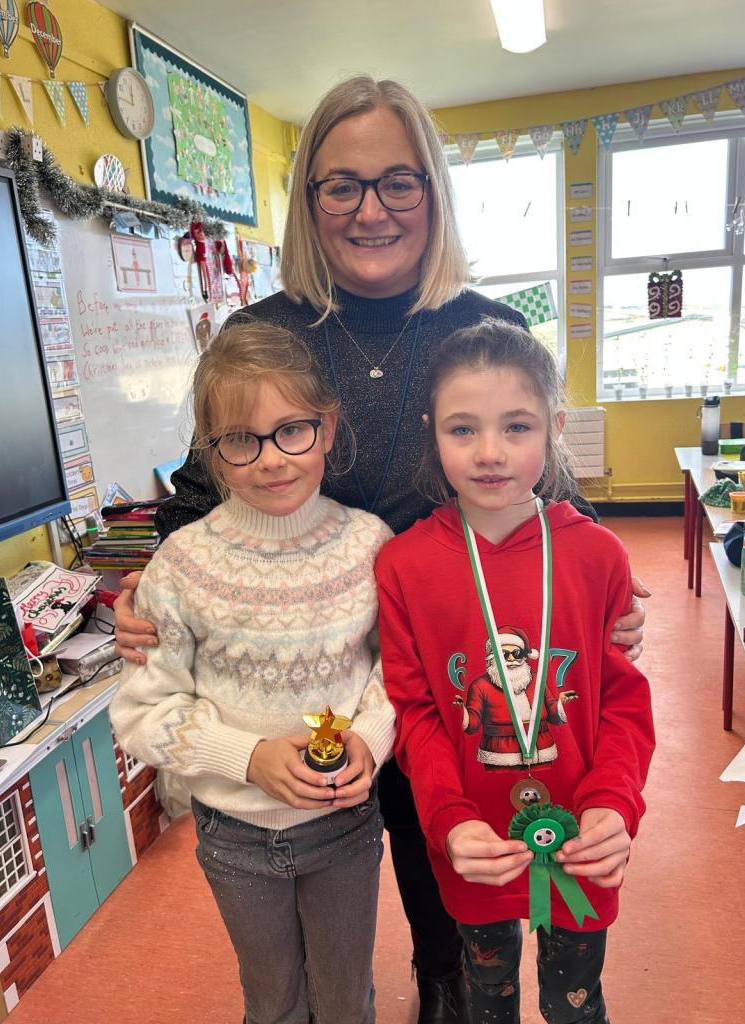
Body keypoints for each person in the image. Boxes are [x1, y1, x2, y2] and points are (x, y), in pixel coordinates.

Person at [113, 75, 649, 1024]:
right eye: (342, 185)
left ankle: (445, 979)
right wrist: (141, 594)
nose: (372, 210)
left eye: (399, 182)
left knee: (455, 829)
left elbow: (547, 482)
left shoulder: (481, 327)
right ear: (308, 199)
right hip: (310, 657)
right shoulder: (262, 333)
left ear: (433, 193)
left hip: (452, 643)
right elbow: (199, 489)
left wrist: (604, 588)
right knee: (347, 855)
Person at [109, 323, 396, 1024]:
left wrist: (372, 736)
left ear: (327, 429)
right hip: (234, 834)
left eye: (292, 431)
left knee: (346, 1001)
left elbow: (395, 669)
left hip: (344, 827)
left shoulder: (369, 544)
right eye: (241, 440)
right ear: (211, 452)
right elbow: (142, 711)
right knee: (271, 1004)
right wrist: (246, 757)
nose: (271, 460)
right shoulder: (183, 563)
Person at [374, 319, 655, 1024]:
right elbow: (417, 714)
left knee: (575, 1005)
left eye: (518, 426)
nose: (490, 453)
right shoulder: (404, 565)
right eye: (463, 430)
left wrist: (613, 803)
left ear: (555, 427)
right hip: (474, 847)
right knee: (487, 1002)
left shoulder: (598, 555)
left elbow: (623, 704)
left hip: (582, 840)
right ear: (432, 433)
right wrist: (448, 821)